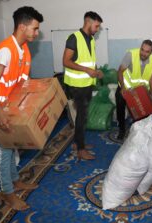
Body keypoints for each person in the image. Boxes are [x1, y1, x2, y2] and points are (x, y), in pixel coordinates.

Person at [0, 6, 43, 211]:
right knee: (4, 149)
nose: (37, 32)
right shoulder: (5, 50)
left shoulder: (24, 50)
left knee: (11, 144)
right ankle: (7, 193)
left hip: (6, 104)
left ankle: (14, 181)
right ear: (22, 27)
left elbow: (22, 83)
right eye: (35, 28)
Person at [63, 11, 104, 161]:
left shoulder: (91, 39)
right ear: (88, 22)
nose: (97, 29)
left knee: (83, 116)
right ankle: (80, 149)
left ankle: (78, 143)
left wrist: (96, 71)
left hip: (87, 83)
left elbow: (88, 60)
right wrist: (87, 70)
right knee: (81, 116)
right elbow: (66, 61)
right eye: (97, 26)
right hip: (76, 85)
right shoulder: (74, 38)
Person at [115, 40, 152, 140]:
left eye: (147, 51)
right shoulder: (131, 54)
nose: (143, 53)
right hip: (125, 86)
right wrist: (122, 87)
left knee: (140, 111)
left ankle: (137, 130)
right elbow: (120, 71)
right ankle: (121, 129)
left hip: (140, 90)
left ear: (151, 52)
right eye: (142, 49)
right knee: (120, 105)